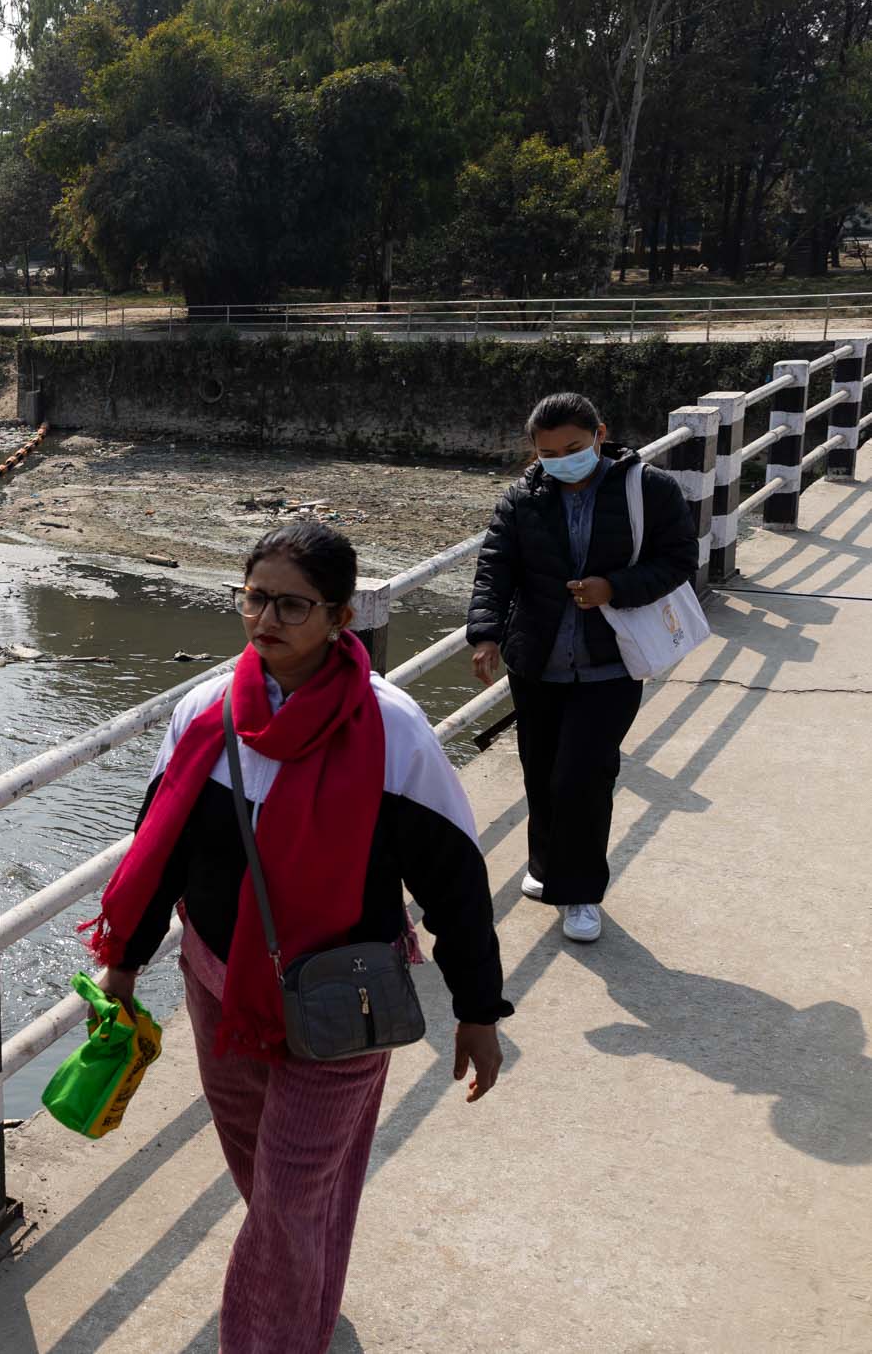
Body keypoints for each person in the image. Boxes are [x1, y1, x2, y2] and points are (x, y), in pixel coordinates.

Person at [85, 521, 508, 1354]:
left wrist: (479, 1009)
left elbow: (455, 880)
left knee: (285, 1200)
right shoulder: (205, 712)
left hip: (342, 1001)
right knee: (269, 1177)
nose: (267, 619)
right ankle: (303, 1286)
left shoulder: (393, 731)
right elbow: (157, 847)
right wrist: (124, 962)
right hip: (219, 983)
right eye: (255, 598)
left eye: (293, 604)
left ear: (341, 616)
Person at [466, 392, 697, 943]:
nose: (561, 459)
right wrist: (487, 634)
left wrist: (613, 587)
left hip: (609, 664)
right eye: (547, 452)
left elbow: (679, 560)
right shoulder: (522, 497)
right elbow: (495, 569)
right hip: (537, 663)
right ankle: (546, 869)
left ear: (600, 434)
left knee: (584, 779)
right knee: (542, 773)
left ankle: (581, 893)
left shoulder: (650, 489)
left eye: (573, 447)